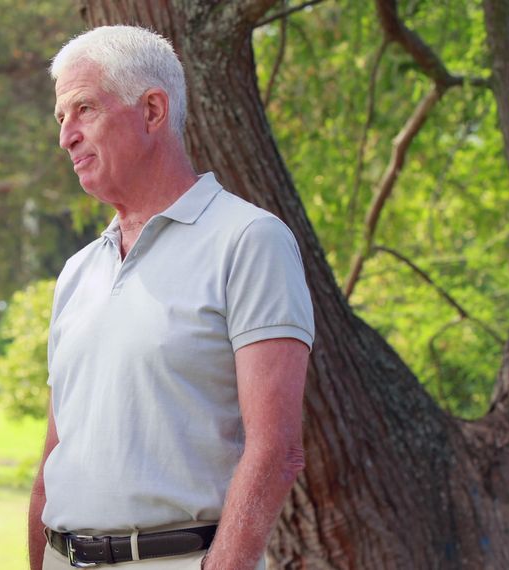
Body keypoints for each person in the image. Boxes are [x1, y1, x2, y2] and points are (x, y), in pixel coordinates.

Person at [28, 26, 314, 570]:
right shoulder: (76, 272)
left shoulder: (249, 240)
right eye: (60, 118)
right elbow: (54, 453)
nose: (66, 136)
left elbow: (277, 451)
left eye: (82, 109)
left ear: (153, 111)